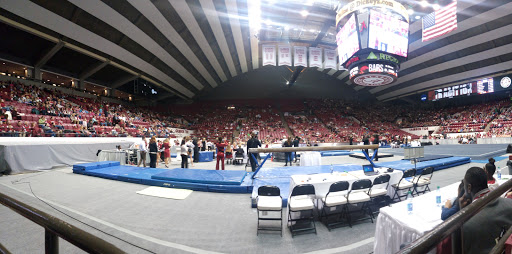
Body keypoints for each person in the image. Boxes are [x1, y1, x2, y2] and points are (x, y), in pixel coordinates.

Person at [462, 167, 512, 254]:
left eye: (464, 185)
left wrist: (460, 211)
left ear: (469, 187)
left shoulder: (466, 224)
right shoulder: (509, 203)